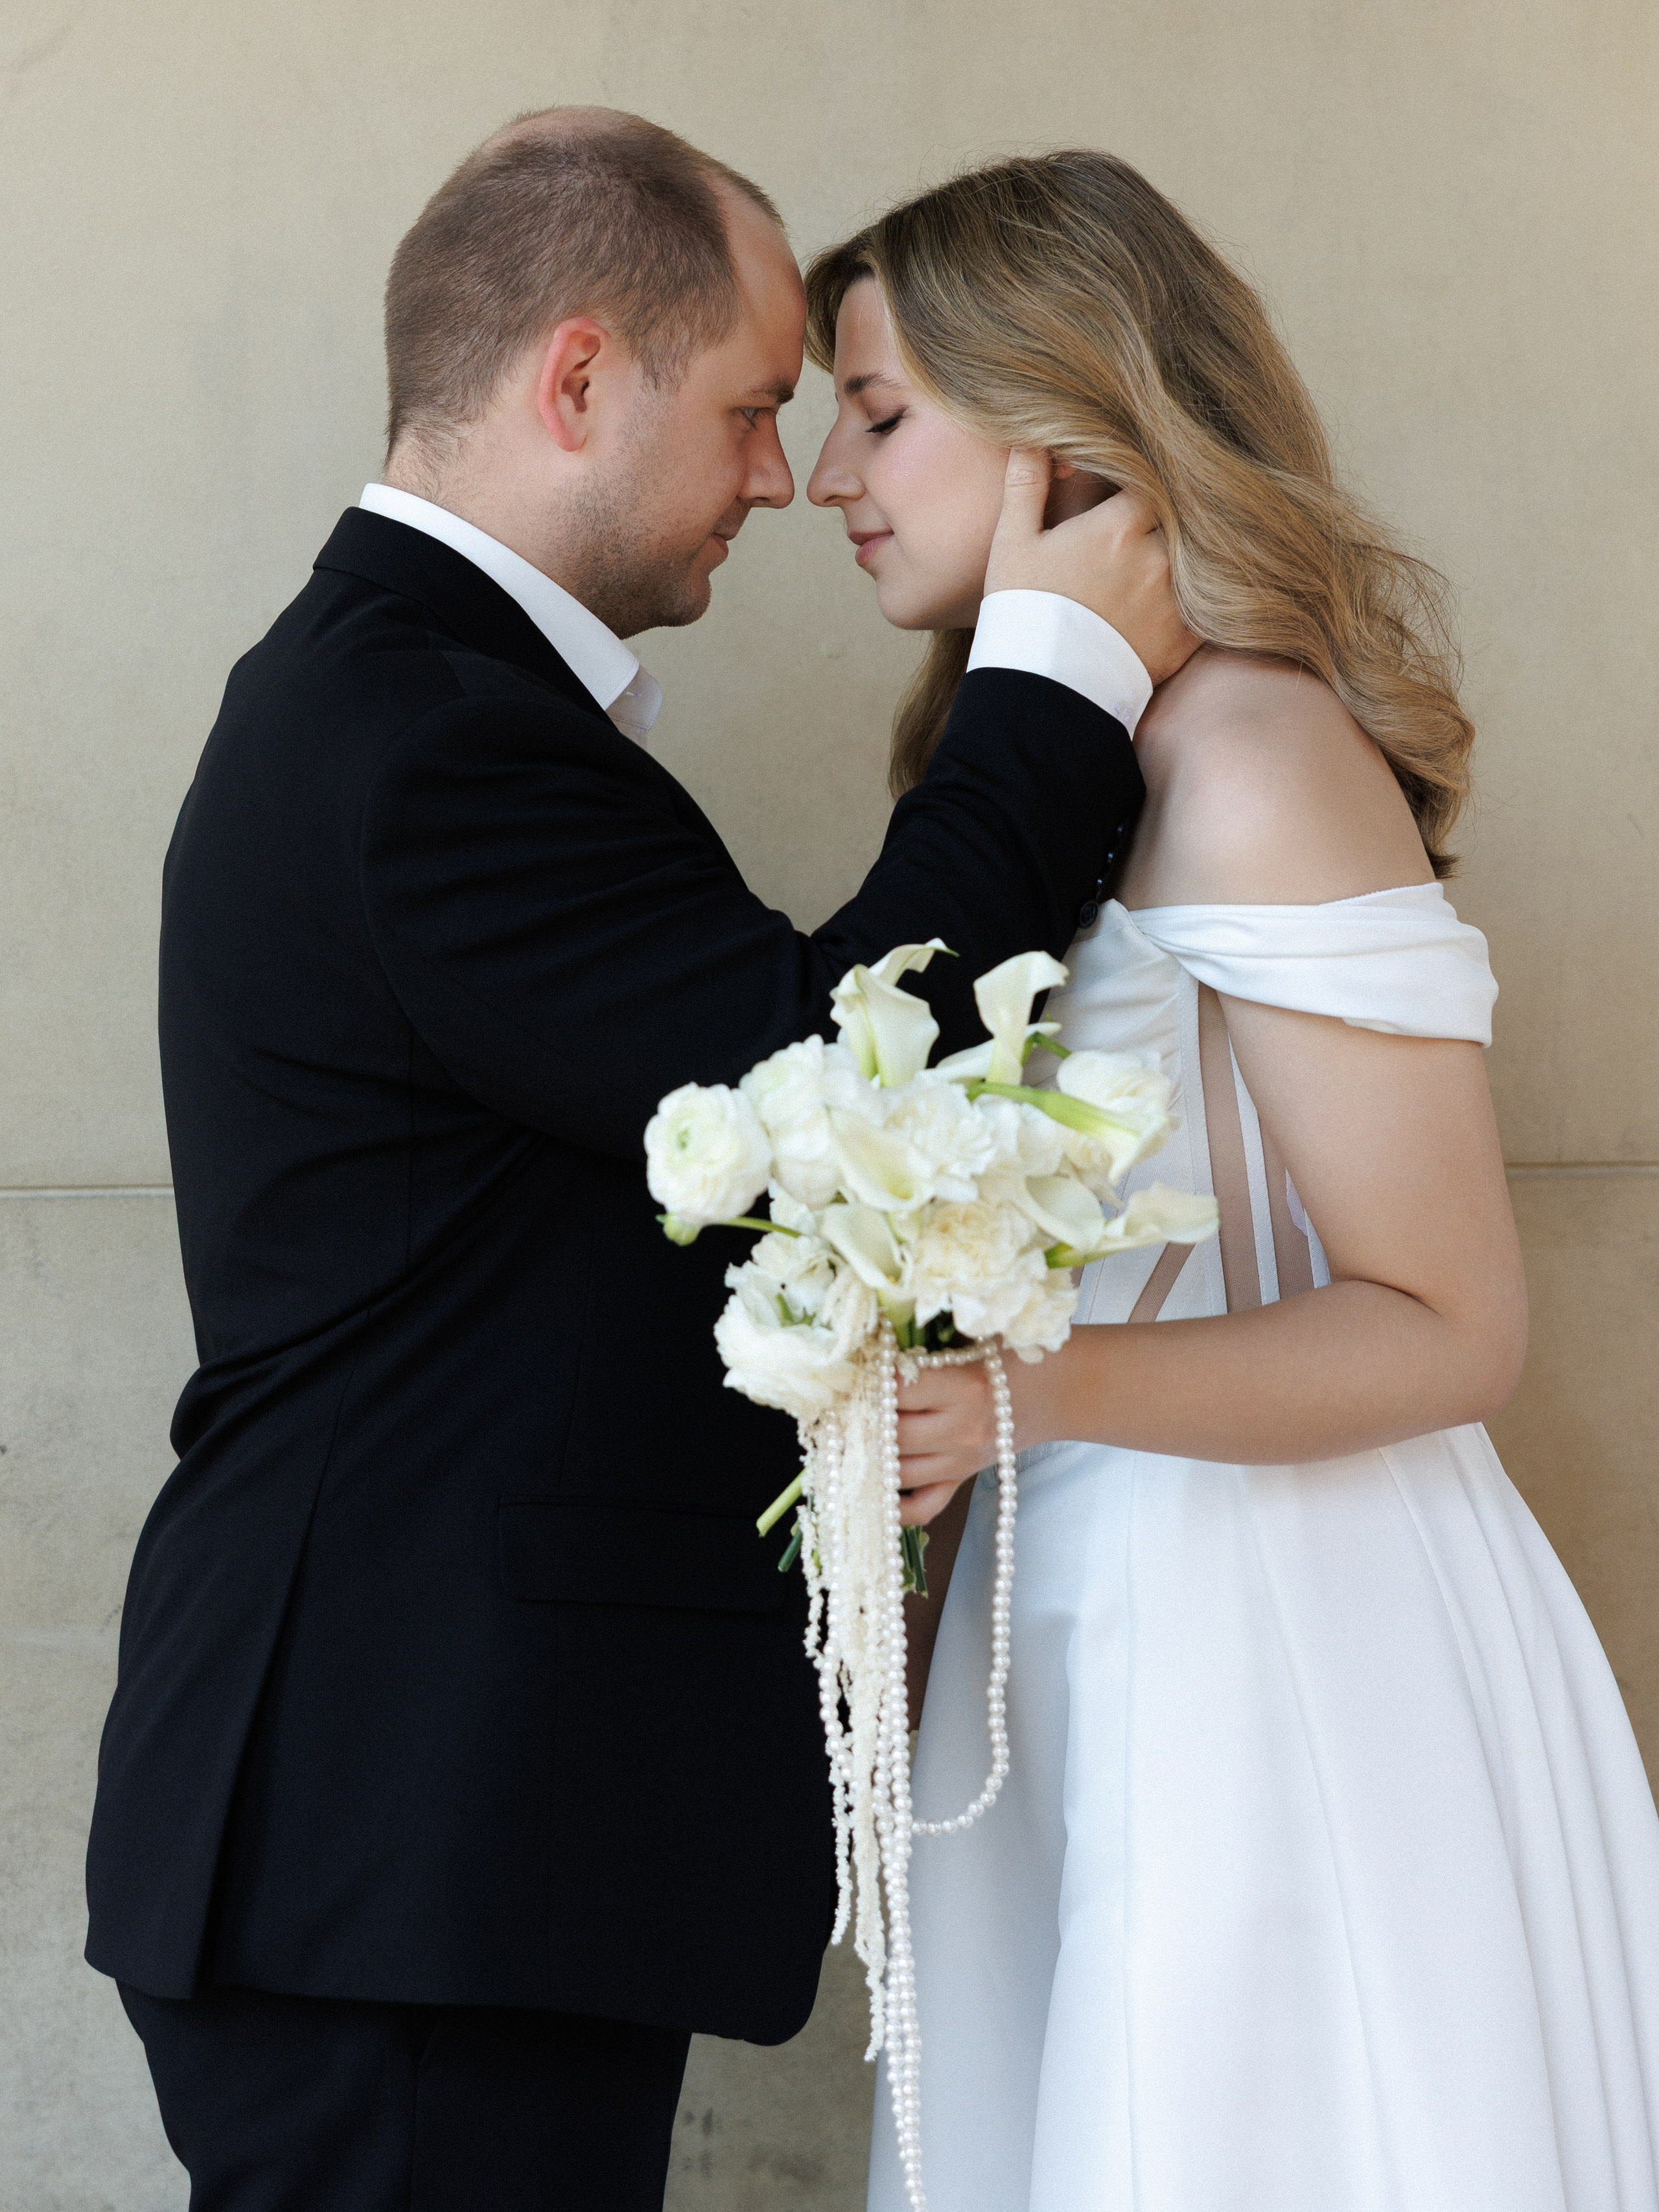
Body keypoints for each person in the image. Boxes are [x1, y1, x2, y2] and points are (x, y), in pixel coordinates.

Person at [82, 111, 1198, 2211]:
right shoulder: (426, 730)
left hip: (432, 1848)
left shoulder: (412, 695)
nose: (784, 479)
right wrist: (1057, 678)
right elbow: (831, 1090)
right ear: (578, 377)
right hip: (409, 1842)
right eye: (759, 408)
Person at [806, 150, 1659, 2211]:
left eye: (881, 414)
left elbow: (1451, 1322)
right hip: (1068, 1598)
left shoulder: (1253, 756)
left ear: (1062, 426)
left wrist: (1022, 1400)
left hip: (1268, 1625)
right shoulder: (1035, 765)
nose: (828, 476)